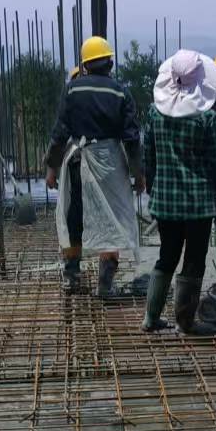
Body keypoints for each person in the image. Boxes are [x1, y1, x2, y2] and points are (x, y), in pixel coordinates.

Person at [45, 36, 143, 296]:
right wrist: (139, 174)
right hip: (110, 165)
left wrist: (52, 168)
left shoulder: (72, 90)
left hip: (78, 161)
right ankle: (105, 284)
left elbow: (59, 133)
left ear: (85, 65)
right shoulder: (120, 92)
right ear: (110, 63)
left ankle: (71, 277)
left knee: (74, 217)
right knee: (111, 220)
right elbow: (132, 139)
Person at [142, 51, 216, 335]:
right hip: (199, 204)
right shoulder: (207, 118)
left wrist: (154, 189)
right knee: (193, 260)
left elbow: (149, 157)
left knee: (166, 256)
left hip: (166, 202)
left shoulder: (155, 114)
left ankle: (151, 318)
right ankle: (184, 322)